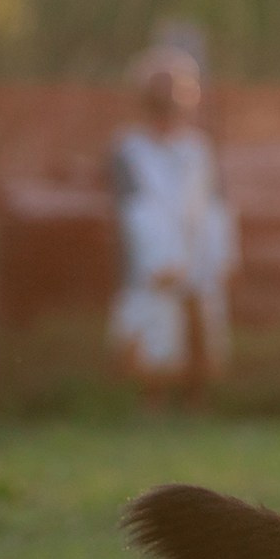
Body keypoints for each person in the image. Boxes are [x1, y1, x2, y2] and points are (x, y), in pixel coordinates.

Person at [108, 45, 238, 407]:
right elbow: (136, 209)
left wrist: (219, 255)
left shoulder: (199, 149)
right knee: (153, 330)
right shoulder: (129, 150)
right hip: (151, 265)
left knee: (202, 328)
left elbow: (214, 206)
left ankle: (197, 400)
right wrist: (161, 259)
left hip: (197, 255)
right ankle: (152, 401)